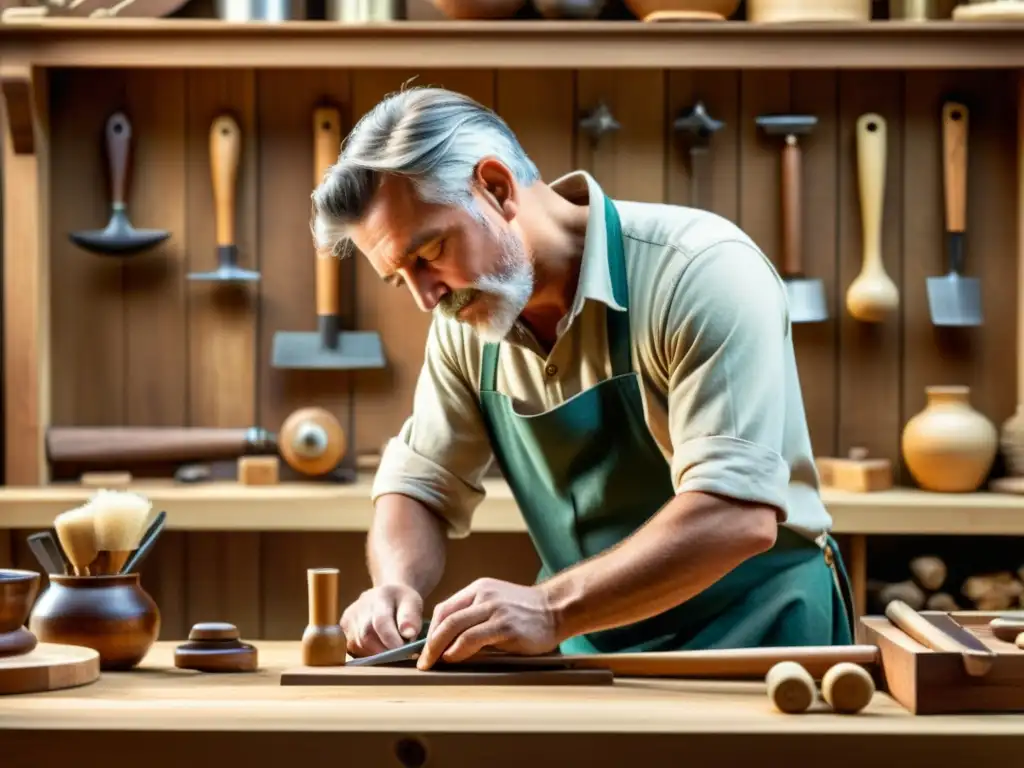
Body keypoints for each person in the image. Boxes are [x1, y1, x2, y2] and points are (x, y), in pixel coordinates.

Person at [310, 85, 855, 671]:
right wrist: (395, 586)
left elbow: (735, 515)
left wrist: (549, 609)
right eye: (399, 278)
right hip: (596, 649)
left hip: (766, 643)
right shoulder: (465, 323)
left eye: (429, 253)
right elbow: (422, 485)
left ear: (495, 189)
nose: (425, 298)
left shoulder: (701, 271)